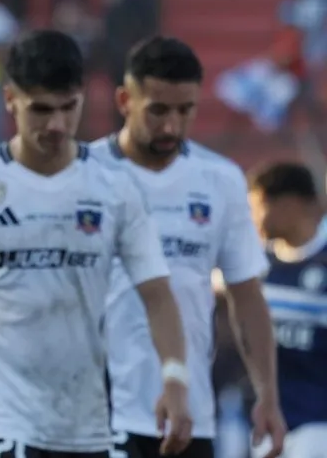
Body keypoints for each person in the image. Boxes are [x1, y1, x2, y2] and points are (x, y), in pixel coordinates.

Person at [0, 30, 192, 458]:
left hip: (91, 422)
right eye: (40, 110)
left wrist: (174, 377)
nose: (57, 125)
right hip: (2, 418)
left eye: (68, 108)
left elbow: (157, 293)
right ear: (10, 99)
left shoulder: (115, 187)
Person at [89, 36, 287, 458]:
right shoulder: (85, 175)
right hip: (94, 414)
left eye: (185, 110)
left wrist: (267, 394)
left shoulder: (221, 179)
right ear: (126, 100)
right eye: (158, 110)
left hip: (189, 413)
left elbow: (247, 296)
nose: (171, 126)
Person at [247, 162, 327, 458]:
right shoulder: (255, 265)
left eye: (258, 206)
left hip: (319, 425)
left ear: (290, 205)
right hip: (269, 421)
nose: (253, 218)